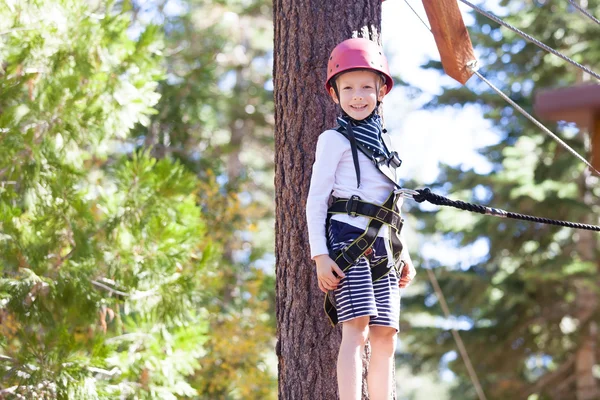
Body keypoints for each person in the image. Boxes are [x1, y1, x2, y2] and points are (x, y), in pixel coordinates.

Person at [305, 37, 416, 400]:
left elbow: (392, 206)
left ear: (381, 91)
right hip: (347, 241)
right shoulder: (332, 140)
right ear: (334, 94)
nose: (357, 95)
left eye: (366, 86)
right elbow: (316, 200)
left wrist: (406, 253)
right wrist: (320, 254)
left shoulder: (388, 149)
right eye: (348, 87)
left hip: (386, 246)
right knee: (357, 327)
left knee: (386, 333)